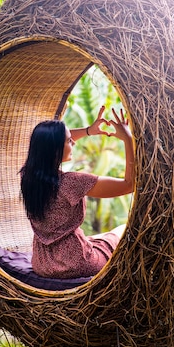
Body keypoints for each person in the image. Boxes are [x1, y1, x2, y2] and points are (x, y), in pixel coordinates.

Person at [20, 105, 134, 279]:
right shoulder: (72, 182)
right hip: (75, 263)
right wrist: (127, 139)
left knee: (100, 237)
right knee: (120, 231)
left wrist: (89, 130)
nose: (73, 141)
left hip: (42, 263)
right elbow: (129, 185)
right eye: (68, 140)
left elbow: (47, 141)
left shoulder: (28, 177)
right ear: (56, 148)